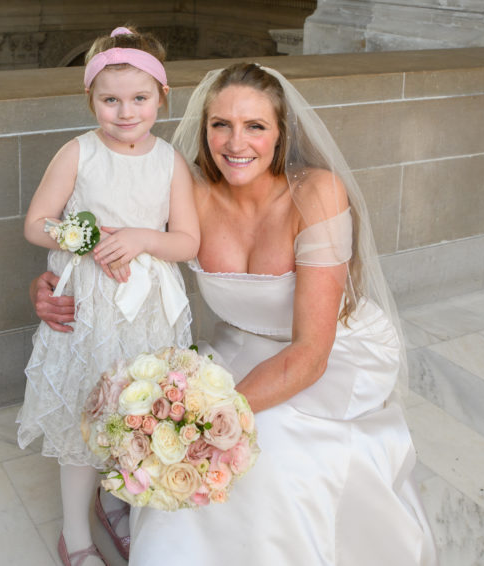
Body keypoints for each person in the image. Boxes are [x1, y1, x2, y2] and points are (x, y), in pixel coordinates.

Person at [34, 62, 437, 565]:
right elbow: (107, 238)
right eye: (220, 124)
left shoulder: (316, 193)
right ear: (204, 130)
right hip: (241, 345)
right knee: (180, 434)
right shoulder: (189, 189)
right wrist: (53, 281)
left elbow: (310, 354)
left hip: (332, 352)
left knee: (267, 452)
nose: (234, 142)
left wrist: (205, 419)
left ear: (281, 134)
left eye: (255, 126)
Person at [17, 26, 199, 566]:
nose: (125, 112)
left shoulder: (170, 161)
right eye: (110, 100)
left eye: (139, 98)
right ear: (91, 99)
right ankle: (74, 533)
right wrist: (80, 234)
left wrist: (142, 237)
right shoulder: (78, 153)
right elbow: (35, 224)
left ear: (162, 97)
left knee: (137, 415)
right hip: (91, 308)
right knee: (84, 415)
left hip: (147, 312)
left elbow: (187, 240)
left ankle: (119, 504)